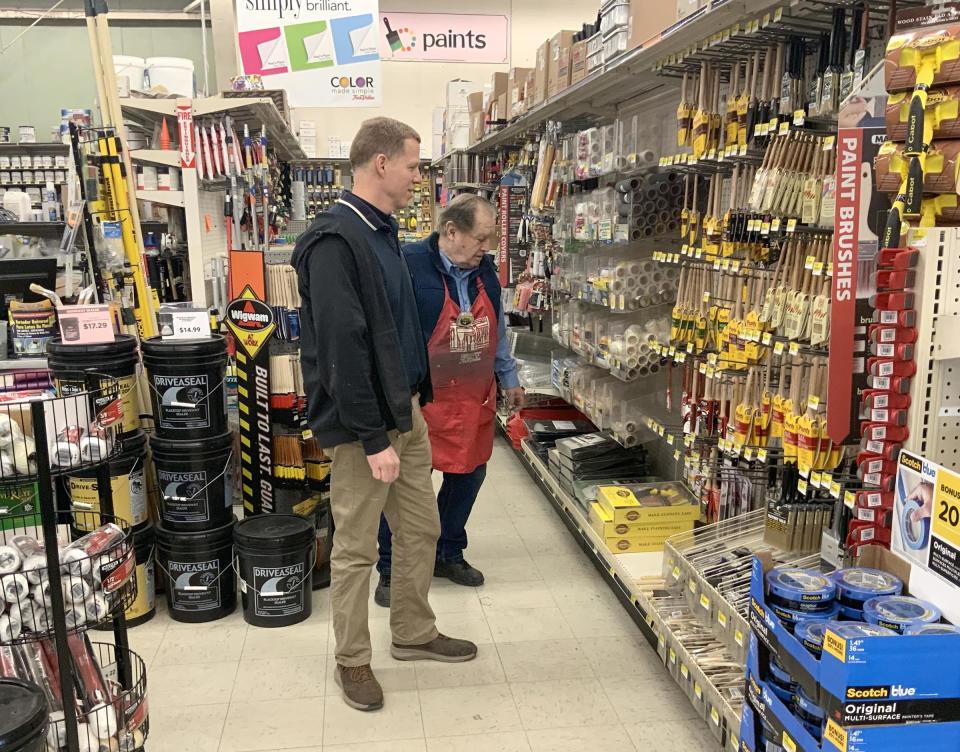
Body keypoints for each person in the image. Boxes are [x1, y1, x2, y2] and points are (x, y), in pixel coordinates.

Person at [292, 117, 477, 713]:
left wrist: (416, 398)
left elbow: (394, 326)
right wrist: (374, 439)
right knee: (355, 549)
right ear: (380, 164)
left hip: (404, 415)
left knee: (421, 528)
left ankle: (413, 631)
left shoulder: (382, 231)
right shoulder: (334, 242)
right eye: (413, 166)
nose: (417, 178)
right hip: (361, 430)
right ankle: (352, 659)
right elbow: (343, 351)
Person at [375, 194, 524, 608]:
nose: (487, 247)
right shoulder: (406, 264)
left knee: (469, 475)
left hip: (472, 396)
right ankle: (391, 568)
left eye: (490, 239)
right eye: (481, 238)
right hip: (422, 398)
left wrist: (509, 376)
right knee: (406, 486)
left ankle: (447, 552)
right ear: (451, 231)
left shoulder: (485, 271)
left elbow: (497, 329)